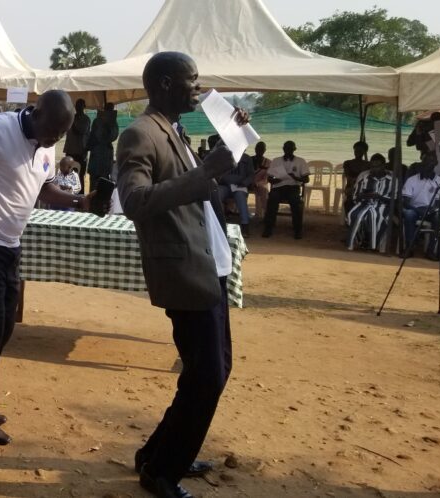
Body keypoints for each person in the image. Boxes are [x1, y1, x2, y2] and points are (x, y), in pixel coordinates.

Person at [0, 90, 108, 446]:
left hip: (9, 246)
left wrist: (81, 201)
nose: (55, 139)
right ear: (37, 111)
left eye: (61, 134)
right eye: (52, 131)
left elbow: (45, 188)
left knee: (2, 329)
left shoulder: (47, 144)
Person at [116, 51, 247, 498]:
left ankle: (157, 454)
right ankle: (161, 472)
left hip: (209, 264)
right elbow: (135, 201)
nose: (199, 87)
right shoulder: (139, 133)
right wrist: (206, 172)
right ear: (167, 83)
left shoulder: (174, 129)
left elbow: (192, 183)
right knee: (208, 374)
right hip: (184, 271)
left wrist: (224, 147)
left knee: (209, 370)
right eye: (192, 81)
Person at [262, 141, 309, 239]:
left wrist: (295, 177)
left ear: (294, 149)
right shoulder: (276, 160)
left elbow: (306, 179)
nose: (288, 150)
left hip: (293, 187)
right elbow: (269, 178)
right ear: (283, 149)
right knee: (272, 199)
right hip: (278, 187)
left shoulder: (301, 161)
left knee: (296, 202)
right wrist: (275, 180)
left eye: (290, 148)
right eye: (286, 148)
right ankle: (268, 228)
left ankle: (297, 230)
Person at [214, 135, 254, 236]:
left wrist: (244, 183)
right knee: (216, 194)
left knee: (240, 196)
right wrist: (221, 180)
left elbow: (251, 175)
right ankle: (217, 223)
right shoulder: (225, 158)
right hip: (225, 186)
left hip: (240, 186)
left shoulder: (247, 159)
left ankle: (245, 225)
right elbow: (217, 173)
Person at [401, 159, 440, 252]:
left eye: (429, 167)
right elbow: (406, 202)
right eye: (423, 166)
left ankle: (431, 250)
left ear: (433, 168)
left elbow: (439, 203)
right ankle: (409, 248)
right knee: (409, 215)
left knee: (438, 218)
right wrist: (417, 210)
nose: (425, 169)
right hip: (414, 209)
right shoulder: (411, 180)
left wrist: (430, 210)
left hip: (431, 210)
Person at [87, 103, 119, 192]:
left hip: (106, 153)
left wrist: (109, 125)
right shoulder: (97, 121)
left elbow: (114, 136)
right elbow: (96, 135)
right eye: (109, 109)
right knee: (95, 178)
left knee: (105, 178)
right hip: (97, 152)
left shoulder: (112, 122)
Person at [64, 98, 91, 191]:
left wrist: (72, 121)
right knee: (68, 173)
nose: (78, 107)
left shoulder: (86, 119)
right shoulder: (71, 117)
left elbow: (80, 131)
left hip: (81, 151)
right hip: (70, 150)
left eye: (80, 105)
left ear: (84, 107)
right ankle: (68, 194)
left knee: (80, 175)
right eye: (77, 105)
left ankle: (80, 195)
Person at [342, 141, 372, 213]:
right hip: (351, 188)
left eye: (360, 151)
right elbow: (349, 178)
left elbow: (369, 179)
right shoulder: (348, 163)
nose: (357, 152)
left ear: (364, 152)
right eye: (356, 150)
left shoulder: (368, 164)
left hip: (364, 188)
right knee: (350, 201)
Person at [250, 142, 270, 220]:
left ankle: (266, 213)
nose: (259, 150)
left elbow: (266, 179)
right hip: (248, 183)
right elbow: (245, 173)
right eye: (258, 148)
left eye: (262, 149)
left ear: (265, 150)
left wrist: (257, 184)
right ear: (255, 149)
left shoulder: (268, 162)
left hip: (261, 183)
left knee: (264, 190)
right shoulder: (249, 160)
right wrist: (249, 182)